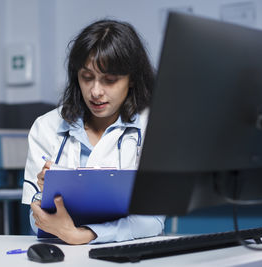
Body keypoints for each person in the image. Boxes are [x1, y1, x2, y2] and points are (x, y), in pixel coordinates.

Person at [21, 19, 165, 244]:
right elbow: (35, 218)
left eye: (109, 80)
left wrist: (82, 235)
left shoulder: (153, 127)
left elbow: (153, 220)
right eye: (87, 77)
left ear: (133, 80)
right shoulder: (46, 127)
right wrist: (44, 195)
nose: (95, 91)